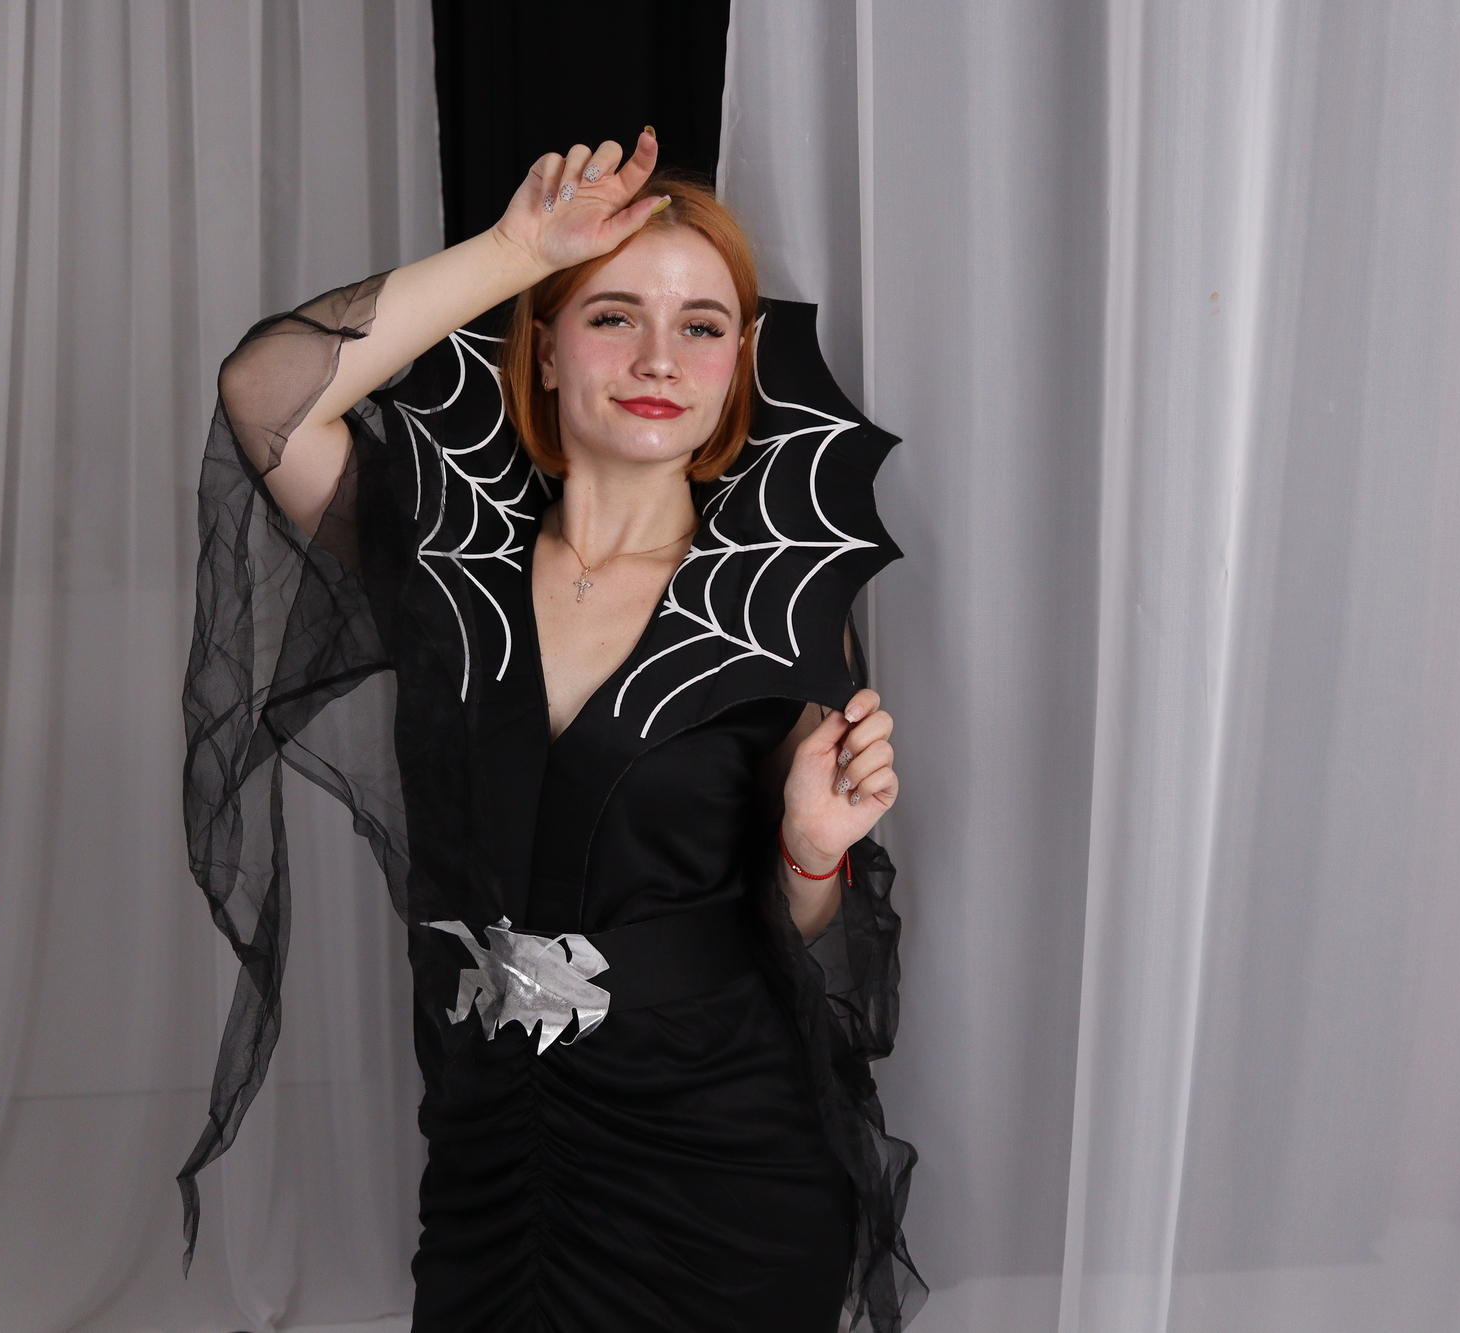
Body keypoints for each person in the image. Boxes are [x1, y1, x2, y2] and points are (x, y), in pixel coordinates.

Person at [177, 128, 927, 1332]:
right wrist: (516, 249)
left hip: (722, 1155)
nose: (657, 357)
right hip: (495, 1142)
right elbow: (265, 394)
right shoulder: (440, 558)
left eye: (700, 326)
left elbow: (798, 934)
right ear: (541, 348)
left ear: (737, 366)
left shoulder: (778, 609)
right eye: (612, 315)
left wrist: (809, 852)